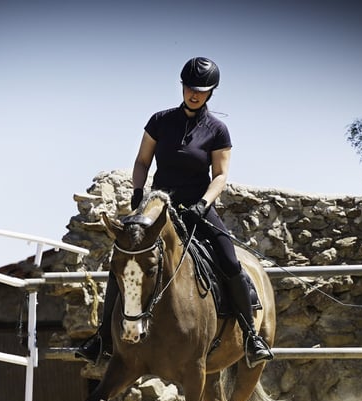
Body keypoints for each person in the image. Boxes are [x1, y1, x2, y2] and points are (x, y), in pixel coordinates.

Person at [77, 57, 273, 368]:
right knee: (125, 256)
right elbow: (142, 161)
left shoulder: (217, 130)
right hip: (159, 206)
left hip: (198, 207)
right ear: (182, 87)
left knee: (229, 259)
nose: (195, 94)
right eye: (190, 88)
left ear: (211, 92)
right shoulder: (160, 121)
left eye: (202, 90)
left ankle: (251, 335)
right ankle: (102, 337)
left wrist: (203, 203)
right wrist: (138, 191)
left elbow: (220, 175)